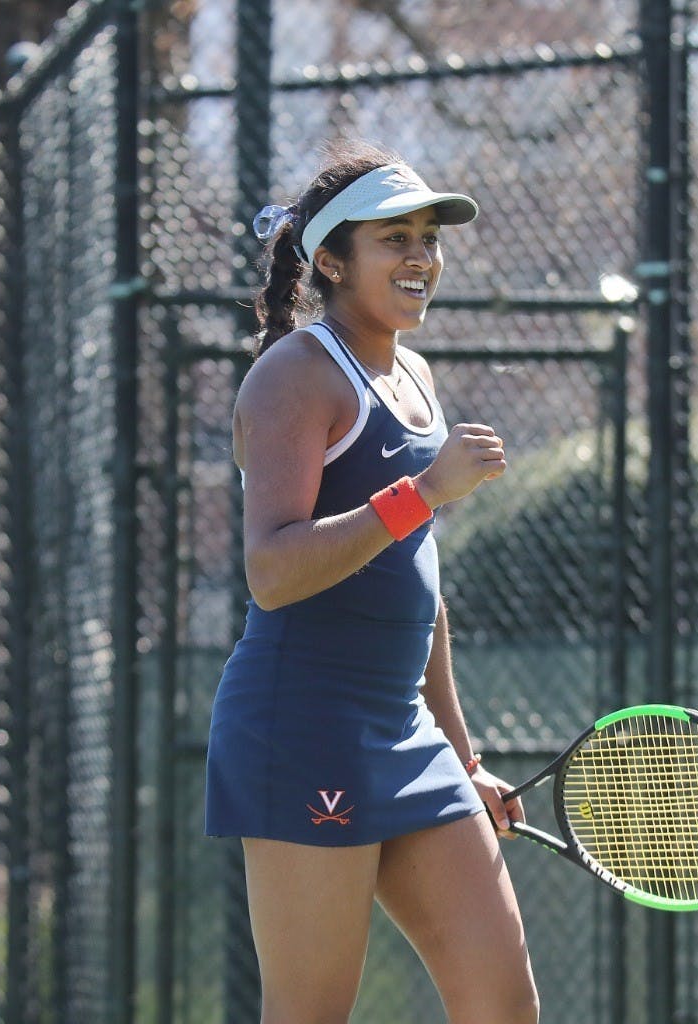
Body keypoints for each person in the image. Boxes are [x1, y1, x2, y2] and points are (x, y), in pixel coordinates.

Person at [205, 140, 539, 1024]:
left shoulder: (415, 376)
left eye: (429, 237)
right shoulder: (292, 376)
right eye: (395, 238)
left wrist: (465, 757)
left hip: (410, 736)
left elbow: (415, 588)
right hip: (302, 726)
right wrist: (425, 491)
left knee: (503, 1005)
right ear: (330, 260)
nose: (422, 256)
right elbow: (273, 571)